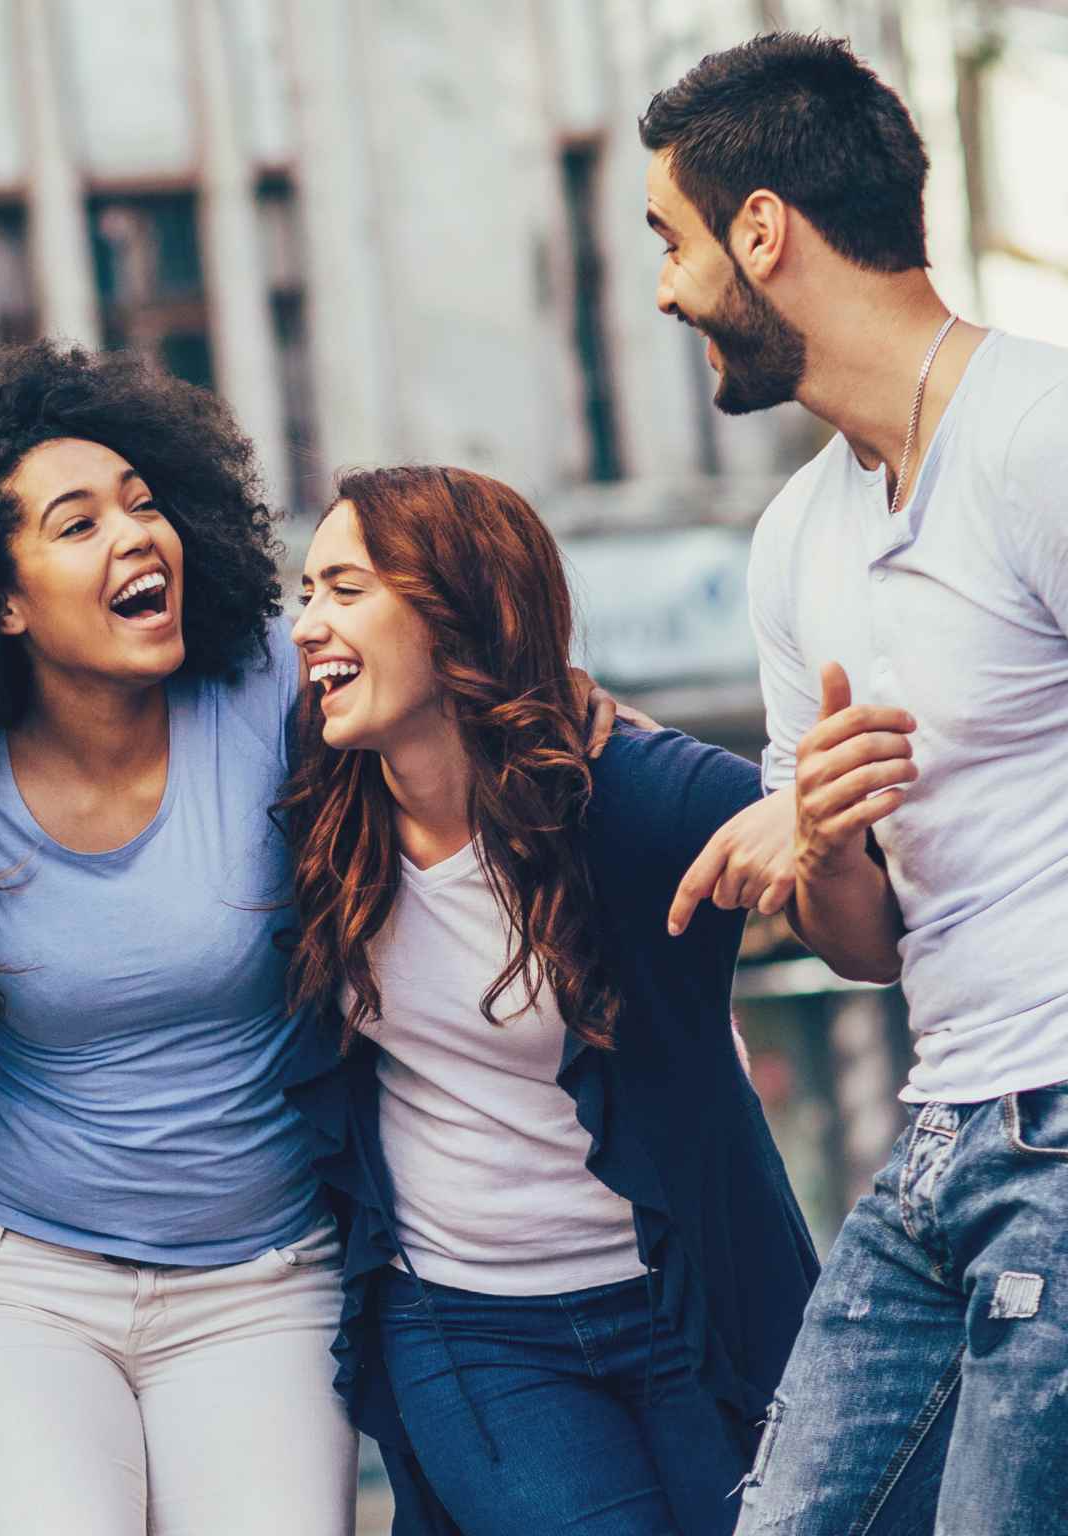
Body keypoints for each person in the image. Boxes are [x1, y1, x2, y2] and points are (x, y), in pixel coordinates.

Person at [0, 342, 737, 1536]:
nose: (136, 537)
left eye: (144, 503)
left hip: (262, 1287)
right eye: (76, 525)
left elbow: (479, 695)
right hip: (10, 1273)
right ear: (0, 596)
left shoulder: (276, 688)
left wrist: (648, 752)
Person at [641, 33, 1068, 1534]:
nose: (666, 287)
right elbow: (862, 945)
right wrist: (829, 840)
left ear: (760, 230)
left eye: (673, 238)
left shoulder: (1052, 439)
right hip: (939, 1138)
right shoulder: (799, 537)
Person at [276, 466, 818, 1536]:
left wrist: (799, 804)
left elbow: (848, 866)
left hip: (688, 1305)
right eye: (302, 593)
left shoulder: (629, 796)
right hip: (469, 1328)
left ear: (454, 608)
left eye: (342, 588)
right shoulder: (310, 812)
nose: (306, 627)